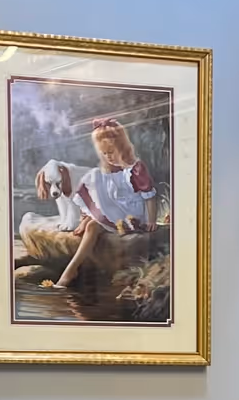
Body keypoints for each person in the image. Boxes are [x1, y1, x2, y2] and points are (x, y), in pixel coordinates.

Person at [53, 116, 162, 290]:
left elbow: (149, 196)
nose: (108, 157)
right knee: (94, 184)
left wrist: (151, 220)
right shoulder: (108, 170)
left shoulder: (135, 168)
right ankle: (71, 269)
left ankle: (71, 270)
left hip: (132, 214)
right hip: (116, 210)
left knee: (92, 226)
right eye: (104, 153)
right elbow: (107, 198)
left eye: (111, 152)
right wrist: (87, 217)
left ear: (122, 147)